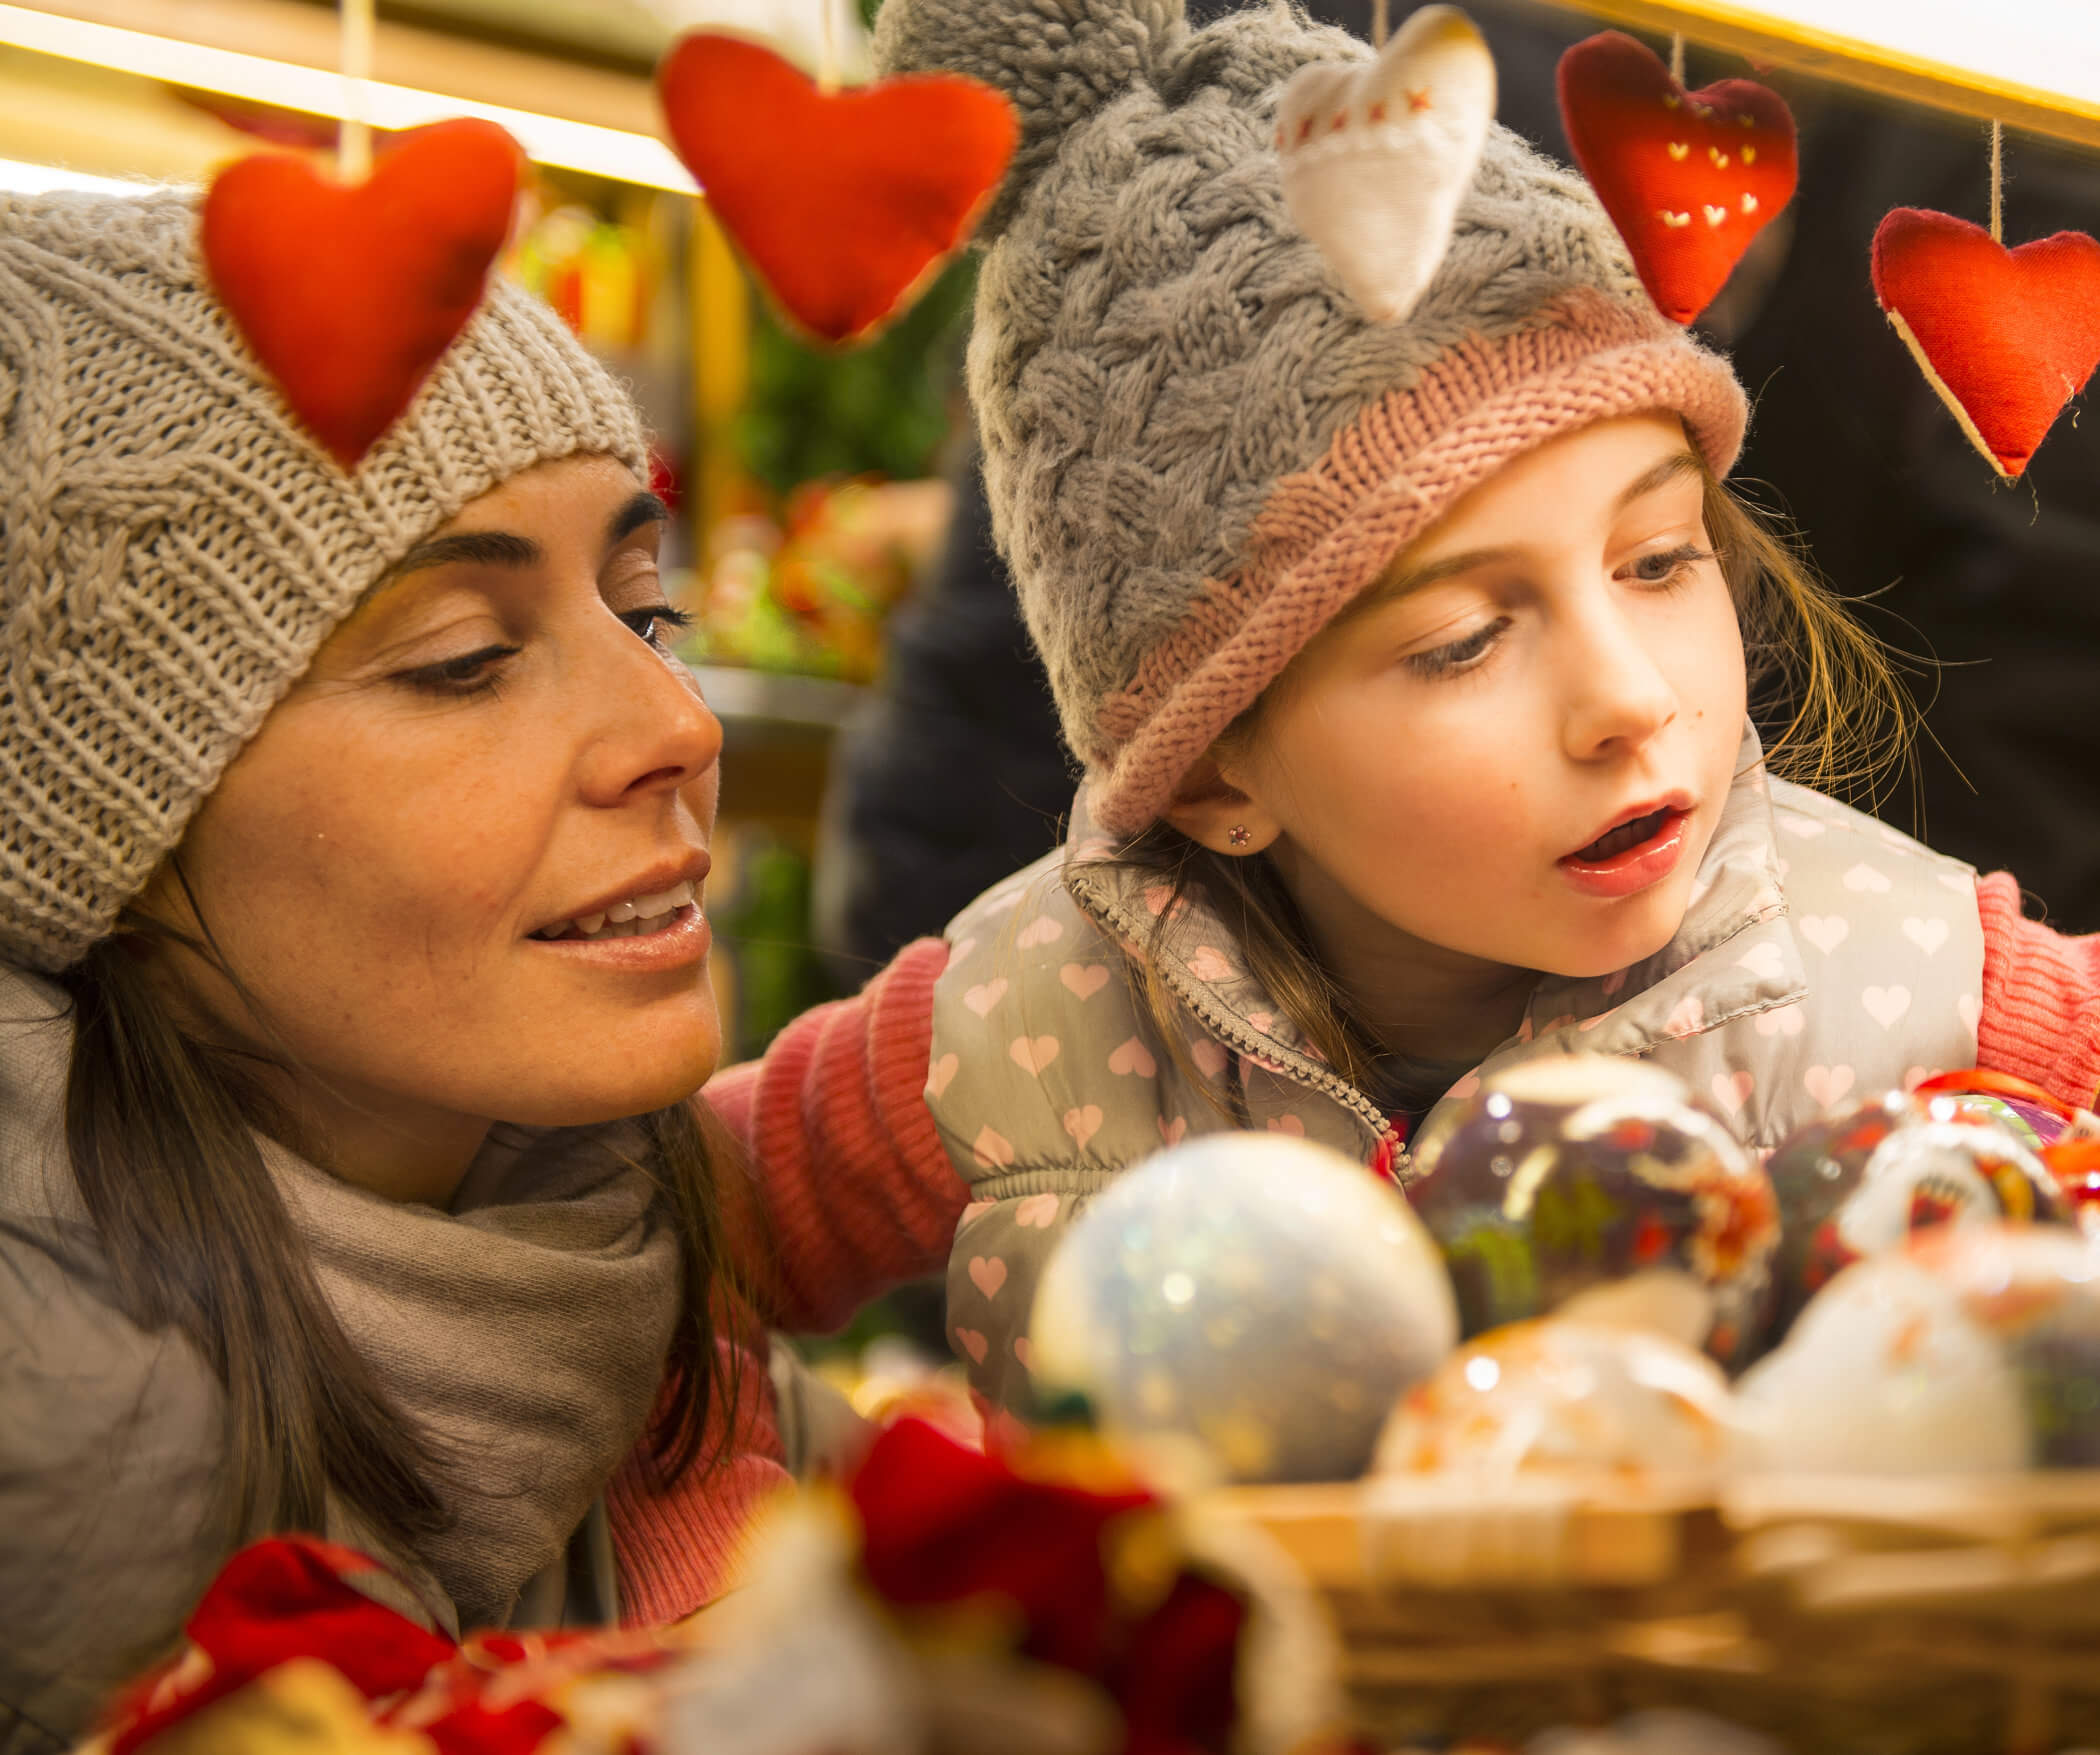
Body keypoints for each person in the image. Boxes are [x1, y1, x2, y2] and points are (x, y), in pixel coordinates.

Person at [708, 0, 2100, 1416]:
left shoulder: (1920, 985)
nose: (1628, 698)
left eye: (1662, 559)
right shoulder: (1014, 1030)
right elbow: (623, 1250)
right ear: (1209, 775)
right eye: (1462, 642)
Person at [0, 191, 965, 1753]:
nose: (681, 729)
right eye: (464, 657)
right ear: (99, 817)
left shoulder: (608, 1265)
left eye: (644, 613)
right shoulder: (74, 1459)